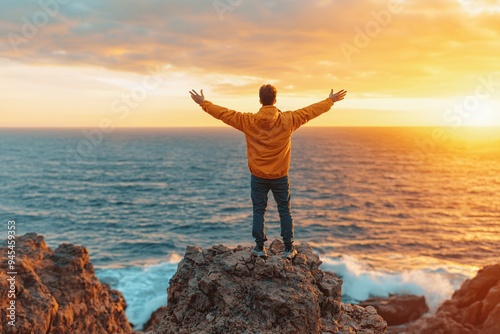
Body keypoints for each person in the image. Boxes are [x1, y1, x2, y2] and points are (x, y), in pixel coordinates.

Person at [189, 85, 347, 259]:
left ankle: (259, 248)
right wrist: (330, 101)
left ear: (260, 100)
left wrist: (203, 103)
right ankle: (288, 249)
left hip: (258, 176)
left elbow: (224, 114)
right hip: (280, 176)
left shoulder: (247, 120)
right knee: (284, 210)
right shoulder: (289, 119)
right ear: (275, 100)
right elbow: (310, 111)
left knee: (259, 210)